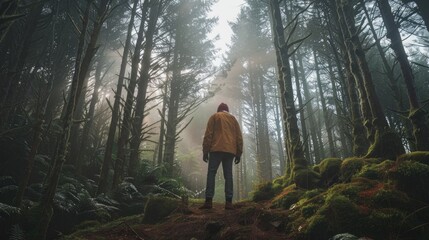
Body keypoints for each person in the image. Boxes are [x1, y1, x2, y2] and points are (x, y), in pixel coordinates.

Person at [200, 102, 243, 210]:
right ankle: (229, 202)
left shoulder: (214, 116)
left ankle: (208, 201)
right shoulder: (233, 119)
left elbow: (208, 135)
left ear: (218, 109)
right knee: (228, 176)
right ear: (227, 110)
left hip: (216, 149)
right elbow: (239, 137)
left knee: (211, 173)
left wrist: (205, 151)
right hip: (230, 151)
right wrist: (239, 153)